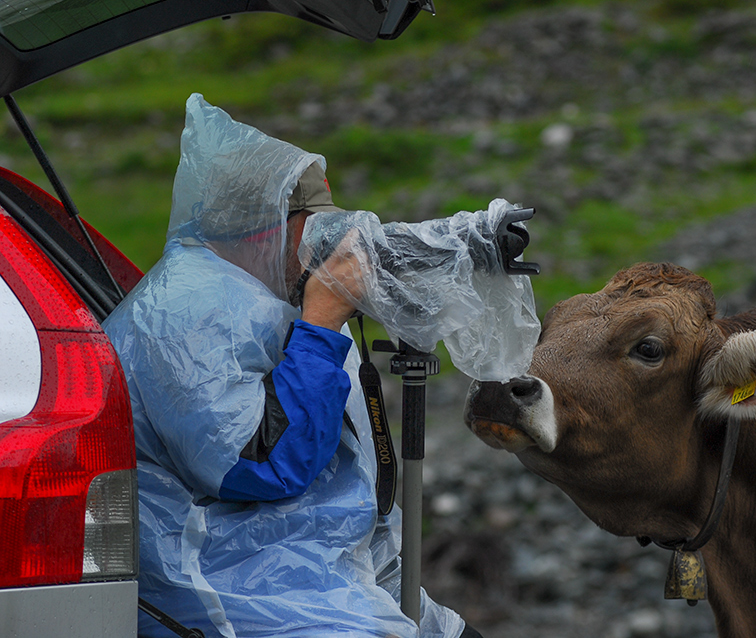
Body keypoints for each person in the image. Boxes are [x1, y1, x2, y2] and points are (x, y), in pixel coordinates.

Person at [103, 93, 476, 638]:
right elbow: (255, 463)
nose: (320, 249)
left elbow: (350, 488)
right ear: (265, 227)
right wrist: (322, 323)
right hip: (222, 586)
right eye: (312, 229)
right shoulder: (185, 311)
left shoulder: (257, 298)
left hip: (299, 560)